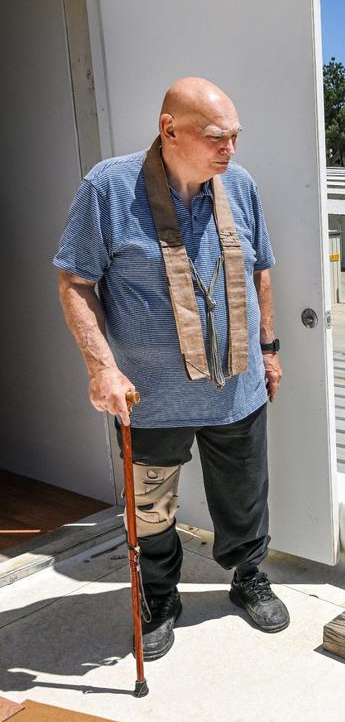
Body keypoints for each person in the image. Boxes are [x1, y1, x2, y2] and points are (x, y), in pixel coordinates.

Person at [55, 77, 288, 661]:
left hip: (236, 390)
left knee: (244, 498)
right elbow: (75, 281)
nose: (229, 150)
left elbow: (260, 269)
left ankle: (247, 576)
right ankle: (159, 597)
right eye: (216, 138)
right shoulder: (108, 188)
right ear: (169, 130)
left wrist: (268, 348)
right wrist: (101, 368)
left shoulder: (240, 185)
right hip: (150, 398)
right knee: (152, 508)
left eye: (235, 136)